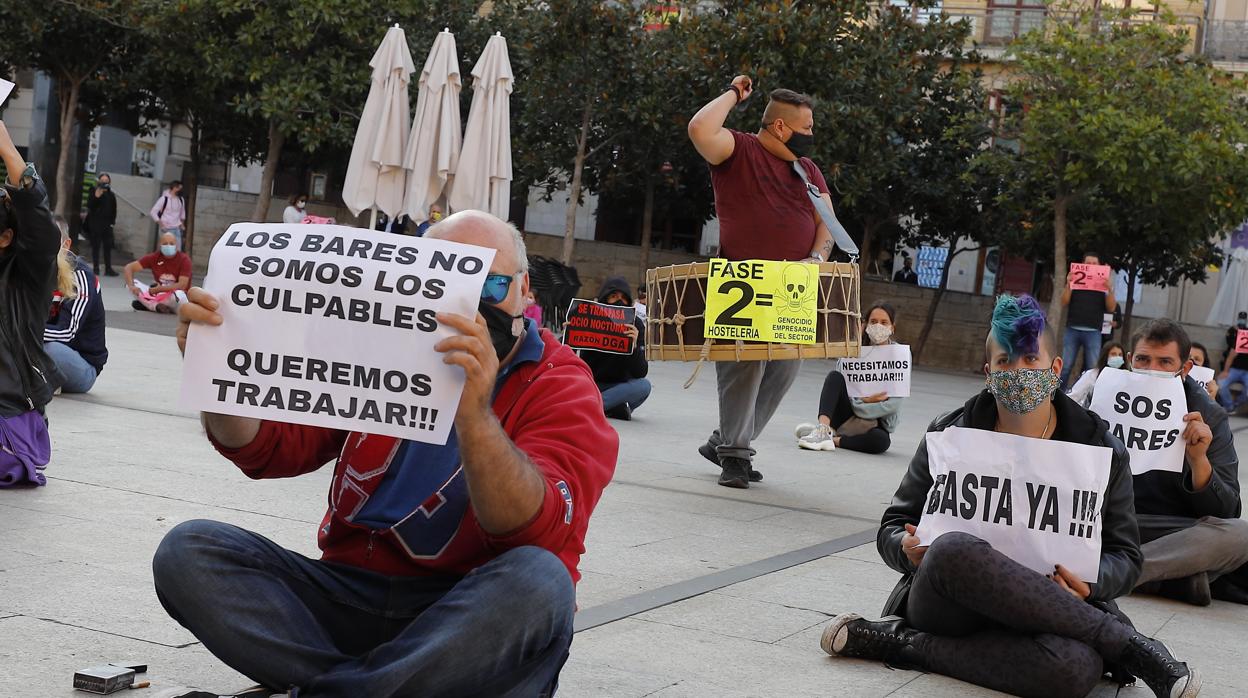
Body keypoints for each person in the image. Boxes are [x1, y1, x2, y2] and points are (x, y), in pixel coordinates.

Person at [153, 210, 618, 696]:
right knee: (189, 551)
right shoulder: (378, 350)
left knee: (541, 583)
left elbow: (535, 526)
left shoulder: (561, 384)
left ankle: (345, 687)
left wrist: (475, 416)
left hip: (463, 610)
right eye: (441, 286)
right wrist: (219, 377)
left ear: (526, 290)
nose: (470, 308)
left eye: (490, 285)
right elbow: (268, 448)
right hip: (351, 591)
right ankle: (385, 685)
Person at [821, 294, 1199, 698]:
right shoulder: (951, 433)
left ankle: (903, 643)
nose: (1019, 372)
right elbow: (893, 525)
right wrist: (905, 546)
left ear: (1054, 369)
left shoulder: (1101, 449)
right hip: (950, 602)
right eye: (1005, 362)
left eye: (1030, 360)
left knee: (1076, 670)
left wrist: (1090, 585)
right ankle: (1131, 645)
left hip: (1046, 608)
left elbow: (1125, 557)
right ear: (989, 372)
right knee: (951, 549)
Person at [688, 76, 836, 489]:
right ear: (780, 128)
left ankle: (726, 439)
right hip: (742, 281)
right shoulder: (739, 149)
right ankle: (735, 455)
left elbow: (827, 222)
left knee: (787, 367)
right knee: (744, 364)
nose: (812, 135)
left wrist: (816, 258)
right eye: (806, 128)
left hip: (792, 287)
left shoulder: (807, 170)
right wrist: (735, 94)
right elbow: (700, 129)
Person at [1125, 319, 1248, 607]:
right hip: (1112, 521)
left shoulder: (1209, 416)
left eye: (1165, 362)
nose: (1151, 370)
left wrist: (1199, 462)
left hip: (1176, 532)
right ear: (1130, 360)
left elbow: (1228, 510)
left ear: (1185, 369)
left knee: (1240, 535)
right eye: (1143, 359)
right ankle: (1176, 579)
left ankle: (1118, 572)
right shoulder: (1104, 397)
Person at [0, 119, 63, 488]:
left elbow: (40, 230)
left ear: (6, 236)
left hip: (10, 419)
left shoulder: (28, 276)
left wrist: (9, 152)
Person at [794, 301, 903, 453]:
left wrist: (860, 403)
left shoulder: (899, 356)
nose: (878, 326)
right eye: (873, 322)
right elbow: (841, 387)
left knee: (881, 442)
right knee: (834, 377)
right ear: (865, 325)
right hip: (846, 415)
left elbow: (892, 405)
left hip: (875, 423)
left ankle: (833, 439)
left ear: (892, 327)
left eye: (884, 322)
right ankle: (823, 429)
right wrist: (864, 400)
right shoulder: (855, 350)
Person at [44, 217, 107, 394]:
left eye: (51, 238)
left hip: (81, 365)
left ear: (66, 244)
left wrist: (24, 331)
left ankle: (48, 379)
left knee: (50, 350)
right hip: (38, 350)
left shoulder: (80, 275)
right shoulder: (32, 270)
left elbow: (67, 332)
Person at [580, 276, 650, 421]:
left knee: (644, 386)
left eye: (624, 298)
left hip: (619, 386)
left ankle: (591, 407)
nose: (619, 302)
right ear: (604, 298)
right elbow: (565, 359)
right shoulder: (589, 318)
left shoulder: (635, 324)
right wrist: (567, 336)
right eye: (613, 296)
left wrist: (634, 346)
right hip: (590, 383)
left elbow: (641, 372)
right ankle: (612, 408)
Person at [1060, 252, 1117, 389]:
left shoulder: (1103, 286)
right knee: (1066, 366)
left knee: (1092, 368)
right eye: (1088, 263)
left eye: (1094, 263)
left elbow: (1111, 307)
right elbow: (1063, 302)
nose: (1091, 266)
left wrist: (1109, 289)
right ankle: (1057, 396)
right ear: (1082, 265)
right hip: (1072, 328)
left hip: (1093, 330)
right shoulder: (1075, 282)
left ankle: (1087, 397)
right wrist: (1068, 284)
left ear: (1100, 266)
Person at [123, 231, 192, 313]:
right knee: (130, 284)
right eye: (165, 243)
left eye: (171, 243)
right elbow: (129, 268)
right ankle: (156, 306)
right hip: (158, 295)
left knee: (179, 294)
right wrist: (132, 286)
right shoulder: (155, 257)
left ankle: (149, 305)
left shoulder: (184, 260)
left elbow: (182, 285)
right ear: (160, 245)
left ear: (176, 245)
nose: (168, 246)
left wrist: (159, 289)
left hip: (174, 296)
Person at [1065, 341, 1124, 408]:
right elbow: (1075, 395)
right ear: (1105, 356)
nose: (1117, 357)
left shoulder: (1125, 377)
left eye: (1120, 355)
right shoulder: (1092, 374)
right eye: (1113, 354)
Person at [84, 172, 118, 276]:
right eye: (102, 181)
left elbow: (114, 209)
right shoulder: (94, 191)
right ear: (98, 181)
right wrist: (96, 197)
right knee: (96, 246)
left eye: (106, 181)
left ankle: (108, 268)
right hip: (95, 223)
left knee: (108, 246)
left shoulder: (111, 194)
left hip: (107, 224)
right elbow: (90, 206)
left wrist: (112, 223)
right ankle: (96, 268)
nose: (104, 183)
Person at [1218, 312, 1248, 412]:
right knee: (1221, 383)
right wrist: (1225, 371)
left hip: (1246, 372)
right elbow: (1230, 353)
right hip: (1234, 369)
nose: (1242, 320)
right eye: (1241, 318)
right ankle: (1229, 407)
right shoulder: (1232, 330)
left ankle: (1236, 404)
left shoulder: (1246, 331)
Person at [149, 180, 186, 251]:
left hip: (177, 228)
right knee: (166, 250)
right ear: (174, 188)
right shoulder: (164, 199)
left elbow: (182, 213)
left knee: (178, 250)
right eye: (179, 188)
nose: (181, 190)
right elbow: (153, 212)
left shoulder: (181, 199)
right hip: (166, 228)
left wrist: (182, 224)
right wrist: (161, 224)